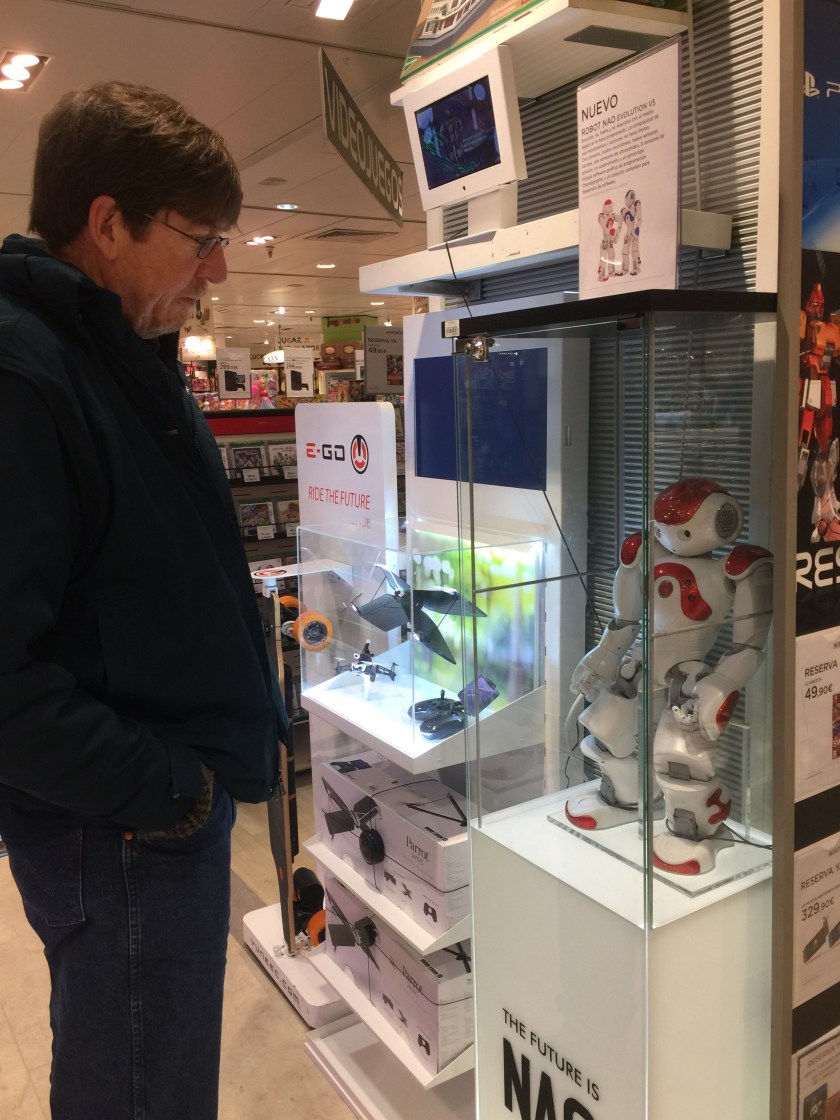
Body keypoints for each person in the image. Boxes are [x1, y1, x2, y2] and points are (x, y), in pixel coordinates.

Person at [0, 81, 288, 1119]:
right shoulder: (26, 372)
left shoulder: (115, 356)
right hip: (122, 828)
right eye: (200, 240)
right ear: (108, 223)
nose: (218, 270)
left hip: (143, 818)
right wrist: (174, 793)